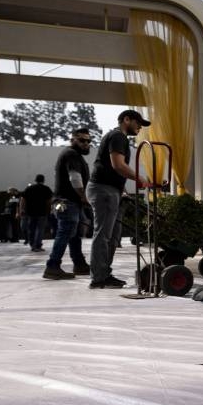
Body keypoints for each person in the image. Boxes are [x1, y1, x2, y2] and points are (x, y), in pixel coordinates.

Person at [87, 110, 150, 289]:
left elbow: (110, 168)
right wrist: (140, 178)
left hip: (109, 189)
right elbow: (118, 165)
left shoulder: (116, 137)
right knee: (103, 235)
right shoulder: (118, 136)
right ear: (126, 120)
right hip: (103, 190)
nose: (139, 127)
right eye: (138, 123)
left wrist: (121, 189)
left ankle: (104, 274)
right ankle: (99, 277)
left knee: (113, 236)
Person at [44, 128, 93, 280]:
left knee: (74, 234)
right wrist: (84, 196)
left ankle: (79, 264)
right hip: (67, 201)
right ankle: (52, 266)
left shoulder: (75, 155)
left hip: (70, 202)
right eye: (82, 140)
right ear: (72, 139)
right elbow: (75, 178)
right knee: (65, 233)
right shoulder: (71, 154)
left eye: (88, 141)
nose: (86, 144)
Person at [20, 174, 53, 252]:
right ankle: (38, 245)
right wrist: (49, 210)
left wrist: (22, 209)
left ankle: (32, 245)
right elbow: (49, 201)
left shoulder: (29, 188)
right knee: (40, 229)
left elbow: (23, 199)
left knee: (32, 229)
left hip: (30, 212)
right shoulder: (46, 189)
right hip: (42, 212)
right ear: (43, 180)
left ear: (35, 180)